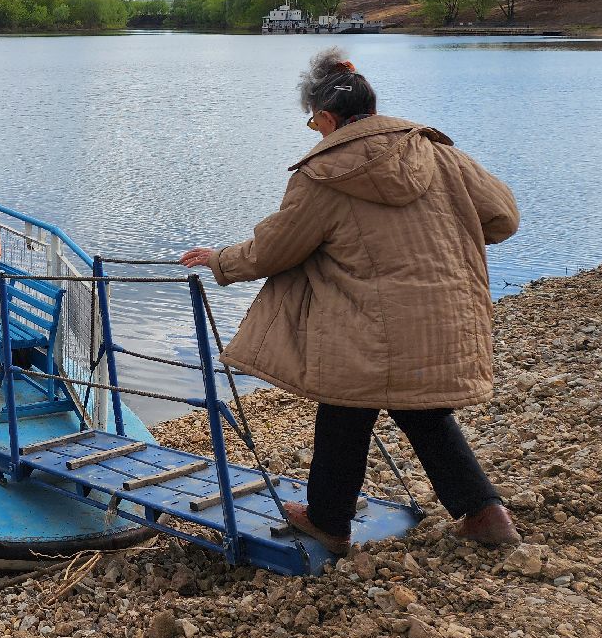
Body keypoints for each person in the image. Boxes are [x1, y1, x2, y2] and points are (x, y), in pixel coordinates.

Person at [179, 48, 522, 555]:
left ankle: (328, 522)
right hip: (443, 318)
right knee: (423, 412)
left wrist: (220, 259)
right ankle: (486, 514)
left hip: (365, 324)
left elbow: (276, 250)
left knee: (344, 409)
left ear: (327, 117)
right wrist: (445, 240)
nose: (315, 131)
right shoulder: (442, 155)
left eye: (313, 121)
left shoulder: (323, 175)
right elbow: (503, 219)